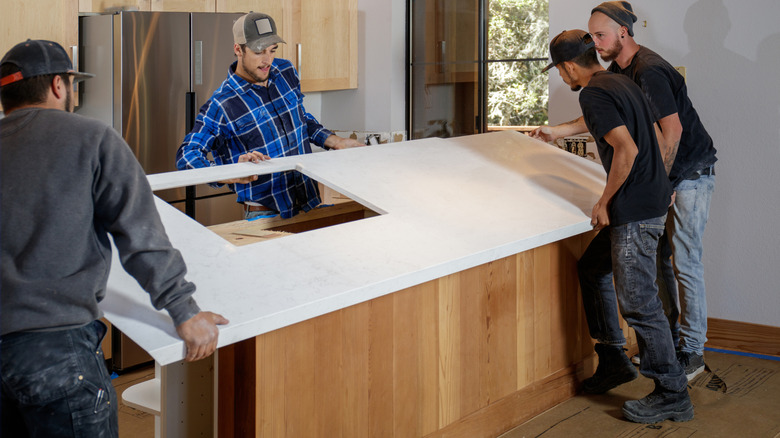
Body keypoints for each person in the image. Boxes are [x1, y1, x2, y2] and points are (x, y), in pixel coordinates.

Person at [1, 39, 228, 437]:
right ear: (58, 85)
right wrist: (185, 311)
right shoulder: (92, 138)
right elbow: (140, 235)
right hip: (57, 351)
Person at [534, 1, 718, 381]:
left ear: (624, 31)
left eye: (601, 35)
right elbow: (614, 117)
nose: (596, 44)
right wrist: (558, 131)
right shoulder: (617, 73)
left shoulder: (648, 70)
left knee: (684, 262)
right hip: (658, 179)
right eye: (592, 37)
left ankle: (692, 353)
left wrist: (660, 183)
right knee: (656, 261)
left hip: (687, 172)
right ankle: (664, 348)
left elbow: (672, 132)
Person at [176, 12, 363, 220]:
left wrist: (334, 141)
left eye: (272, 50)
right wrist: (227, 172)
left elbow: (299, 117)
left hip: (308, 202)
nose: (267, 60)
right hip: (265, 215)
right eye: (259, 52)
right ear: (238, 49)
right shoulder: (222, 104)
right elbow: (187, 155)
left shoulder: (285, 71)